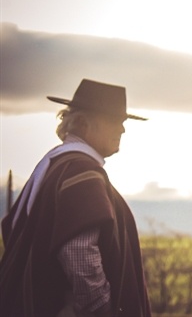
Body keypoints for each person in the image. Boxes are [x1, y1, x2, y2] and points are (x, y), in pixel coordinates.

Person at [0, 79, 152, 317]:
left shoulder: (55, 165)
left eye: (122, 122)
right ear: (82, 123)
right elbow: (80, 255)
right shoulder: (80, 171)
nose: (122, 129)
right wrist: (101, 311)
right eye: (114, 121)